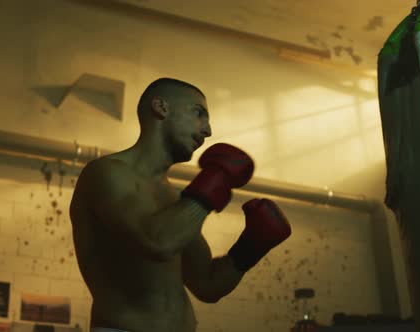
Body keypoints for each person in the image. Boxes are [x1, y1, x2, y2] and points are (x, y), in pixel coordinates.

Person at [69, 78, 292, 332]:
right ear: (161, 108)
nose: (208, 131)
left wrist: (250, 247)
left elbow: (208, 284)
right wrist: (214, 183)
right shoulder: (106, 173)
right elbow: (156, 242)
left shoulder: (173, 199)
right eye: (199, 113)